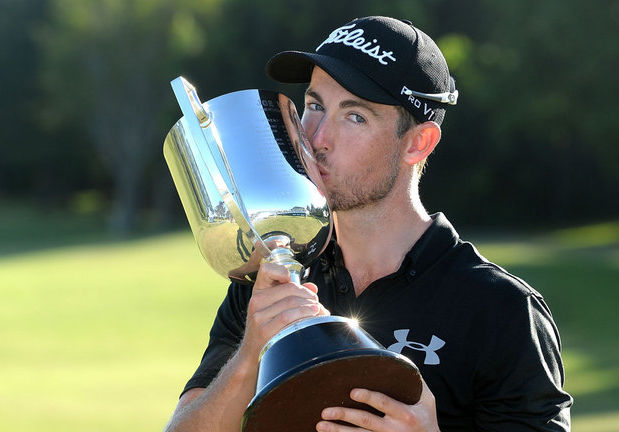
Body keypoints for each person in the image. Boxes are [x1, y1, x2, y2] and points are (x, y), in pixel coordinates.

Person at [165, 16, 572, 432]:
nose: (316, 136)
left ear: (418, 143)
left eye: (354, 116)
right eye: (314, 105)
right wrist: (249, 356)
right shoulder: (265, 284)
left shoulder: (499, 311)